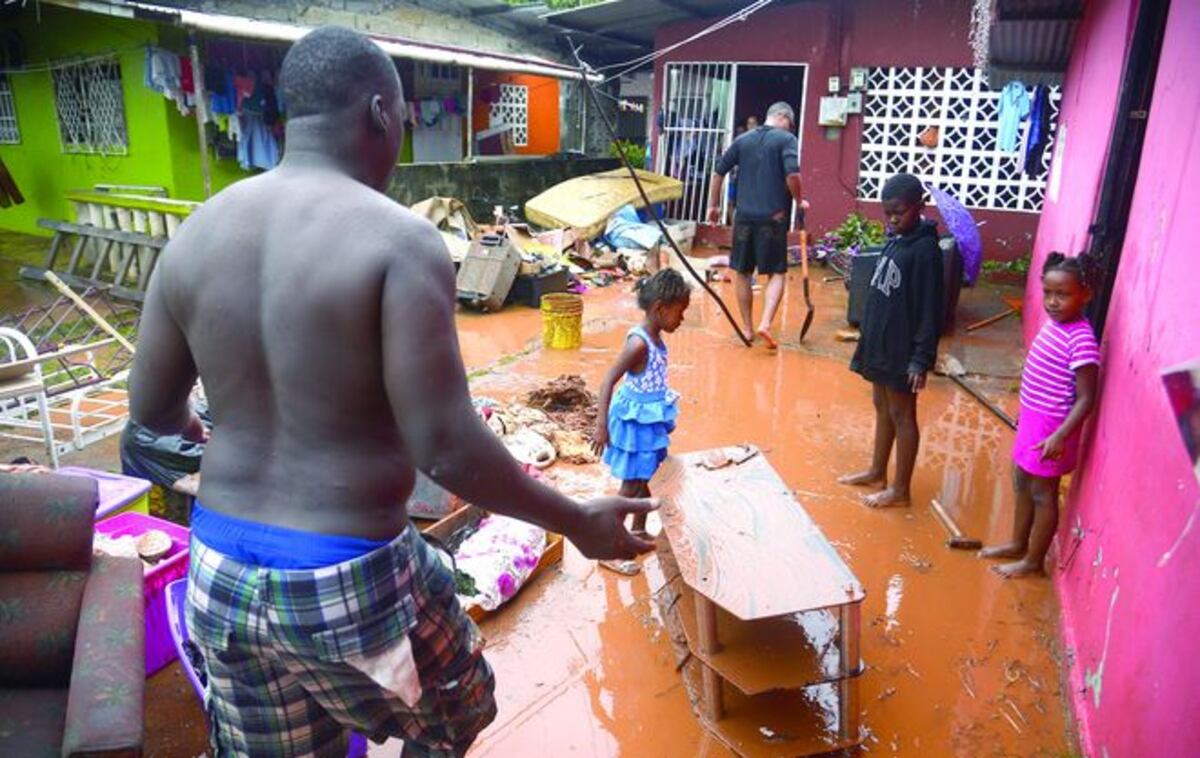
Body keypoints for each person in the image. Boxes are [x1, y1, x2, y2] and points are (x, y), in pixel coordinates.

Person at [127, 26, 654, 758]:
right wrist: (574, 519)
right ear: (380, 111)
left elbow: (151, 415)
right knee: (456, 711)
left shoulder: (195, 235)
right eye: (404, 118)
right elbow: (443, 445)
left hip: (219, 568)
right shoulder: (398, 240)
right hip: (345, 580)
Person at [981, 253, 1099, 578]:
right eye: (1048, 293)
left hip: (1054, 427)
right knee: (1021, 480)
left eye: (1063, 294)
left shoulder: (1082, 340)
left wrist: (1060, 435)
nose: (1053, 302)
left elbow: (1087, 398)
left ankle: (1033, 561)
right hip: (1034, 419)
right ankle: (1018, 543)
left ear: (1085, 294)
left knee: (1042, 493)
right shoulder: (1054, 326)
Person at [839, 173, 944, 508]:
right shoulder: (896, 238)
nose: (893, 218)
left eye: (899, 212)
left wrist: (920, 358)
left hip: (902, 348)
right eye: (888, 213)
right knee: (881, 406)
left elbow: (931, 310)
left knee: (902, 414)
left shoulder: (927, 251)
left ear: (919, 207)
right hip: (879, 342)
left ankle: (901, 491)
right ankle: (876, 471)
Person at [593, 269, 691, 542]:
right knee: (632, 483)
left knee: (646, 476)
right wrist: (601, 426)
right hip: (634, 422)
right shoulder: (639, 344)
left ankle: (637, 528)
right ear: (660, 308)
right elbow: (608, 379)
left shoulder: (656, 340)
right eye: (679, 312)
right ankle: (607, 538)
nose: (682, 319)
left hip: (648, 420)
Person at [706, 102, 803, 349]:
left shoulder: (743, 140)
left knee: (742, 272)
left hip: (744, 218)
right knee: (777, 273)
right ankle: (766, 323)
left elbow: (718, 172)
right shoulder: (787, 139)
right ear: (783, 117)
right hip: (774, 218)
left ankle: (747, 329)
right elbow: (793, 175)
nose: (790, 128)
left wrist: (713, 206)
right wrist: (800, 200)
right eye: (790, 123)